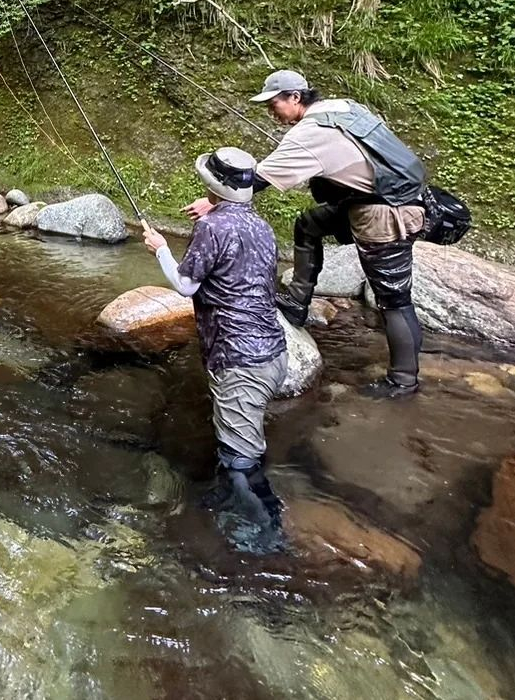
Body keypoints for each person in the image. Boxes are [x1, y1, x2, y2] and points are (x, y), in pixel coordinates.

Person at [185, 69, 426, 399]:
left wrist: (212, 202)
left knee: (394, 300)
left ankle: (403, 381)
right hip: (375, 199)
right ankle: (298, 302)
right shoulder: (344, 107)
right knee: (308, 224)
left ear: (295, 98)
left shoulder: (309, 134)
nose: (271, 112)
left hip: (384, 213)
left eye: (274, 104)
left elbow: (254, 182)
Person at [142, 146, 287, 528]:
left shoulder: (212, 227)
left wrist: (160, 250)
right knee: (241, 439)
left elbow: (185, 285)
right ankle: (227, 493)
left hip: (239, 359)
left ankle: (268, 534)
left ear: (214, 187)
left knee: (242, 458)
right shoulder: (260, 224)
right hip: (272, 352)